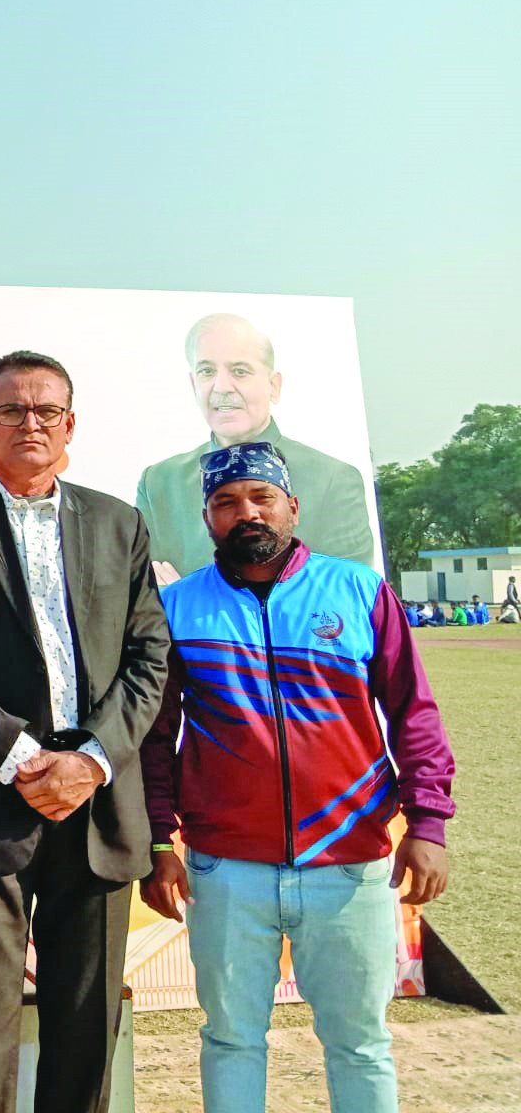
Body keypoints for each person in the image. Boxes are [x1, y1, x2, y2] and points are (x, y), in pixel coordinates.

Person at [140, 440, 456, 1113]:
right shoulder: (178, 607)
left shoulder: (359, 590)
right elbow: (154, 740)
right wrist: (159, 843)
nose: (245, 513)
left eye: (261, 497)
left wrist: (428, 822)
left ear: (292, 507)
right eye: (226, 502)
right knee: (230, 1039)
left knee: (359, 1043)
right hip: (226, 870)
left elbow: (414, 714)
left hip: (349, 865)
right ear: (207, 519)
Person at [0, 350, 171, 1113]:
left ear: (70, 424)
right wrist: (20, 757)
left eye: (46, 410)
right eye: (11, 410)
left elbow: (151, 655)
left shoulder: (120, 523)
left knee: (86, 1031)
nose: (30, 423)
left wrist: (90, 759)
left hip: (99, 809)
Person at [135, 313, 375, 583]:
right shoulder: (159, 483)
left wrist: (189, 600)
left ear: (274, 386)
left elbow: (345, 594)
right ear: (194, 385)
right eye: (207, 371)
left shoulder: (334, 480)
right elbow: (143, 597)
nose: (222, 386)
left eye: (239, 371)